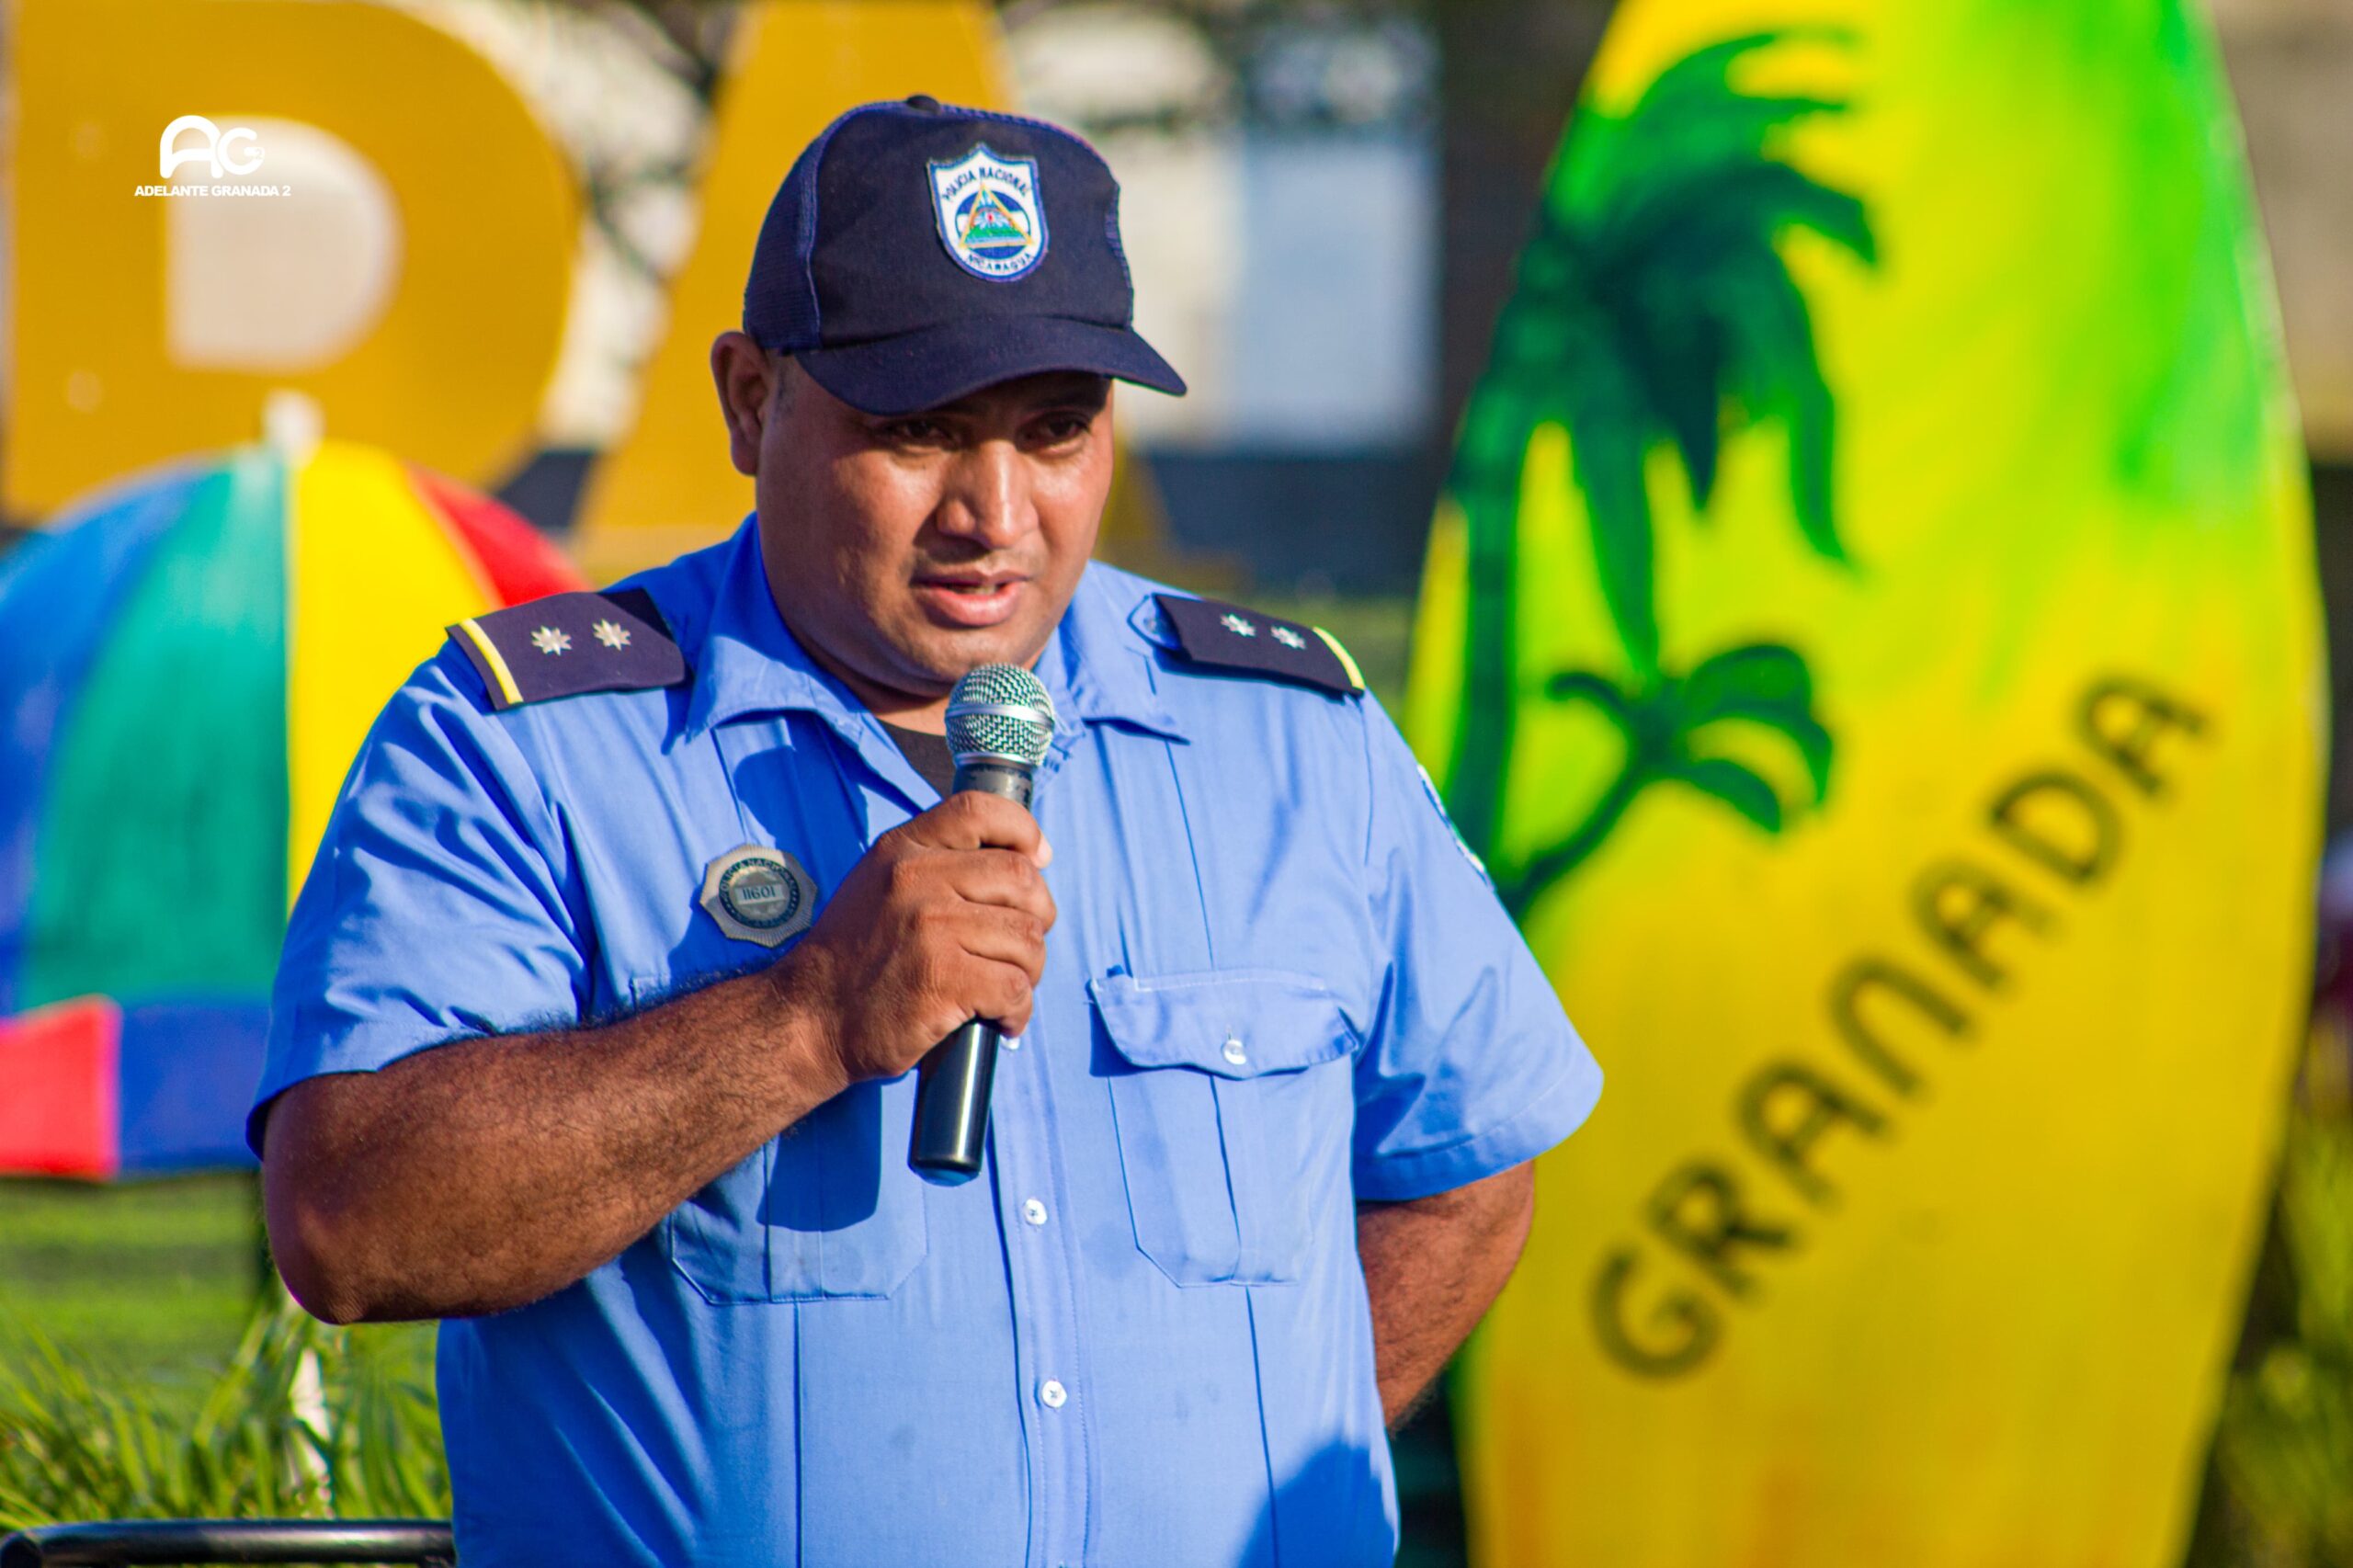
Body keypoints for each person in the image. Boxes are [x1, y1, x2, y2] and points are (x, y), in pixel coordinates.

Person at [254, 97, 1602, 1567]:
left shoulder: (1288, 734)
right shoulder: (526, 741)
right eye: (918, 432)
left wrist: (1244, 1479)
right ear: (752, 401)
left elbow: (1464, 1167)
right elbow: (350, 1218)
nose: (995, 511)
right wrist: (805, 1021)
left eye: (1055, 428)